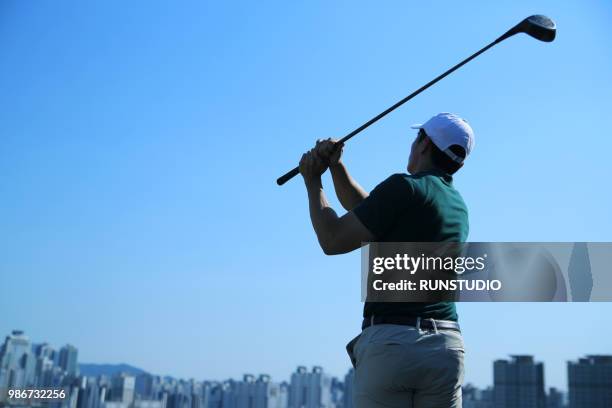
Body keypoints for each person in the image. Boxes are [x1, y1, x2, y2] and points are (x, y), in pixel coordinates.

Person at [298, 112, 474, 408]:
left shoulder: (405, 188)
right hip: (446, 347)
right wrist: (336, 165)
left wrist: (313, 180)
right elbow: (369, 210)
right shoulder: (456, 205)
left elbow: (333, 239)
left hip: (394, 343)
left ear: (423, 144)